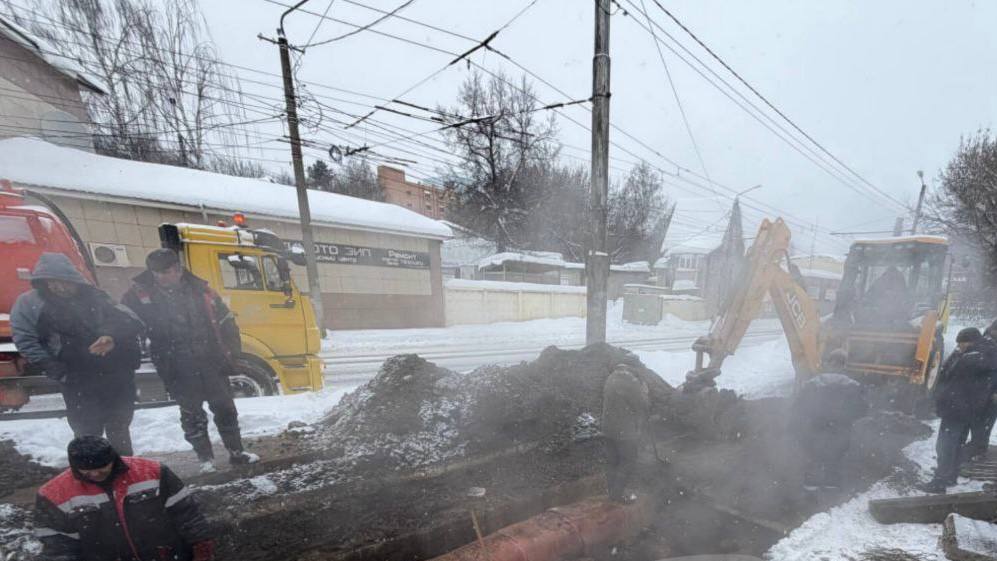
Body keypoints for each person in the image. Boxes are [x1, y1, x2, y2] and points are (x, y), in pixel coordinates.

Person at [122, 248, 258, 472]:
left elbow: (226, 321)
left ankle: (237, 452)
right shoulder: (138, 295)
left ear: (177, 269)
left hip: (210, 360)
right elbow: (124, 322)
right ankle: (205, 459)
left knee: (225, 407)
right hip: (176, 366)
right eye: (156, 273)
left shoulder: (201, 289)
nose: (161, 278)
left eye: (166, 272)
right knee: (191, 413)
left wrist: (232, 352)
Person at [11, 253, 142, 455]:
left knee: (119, 427)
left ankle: (125, 473)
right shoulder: (30, 303)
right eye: (53, 282)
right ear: (43, 282)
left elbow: (130, 320)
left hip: (114, 373)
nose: (60, 287)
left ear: (73, 279)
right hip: (76, 377)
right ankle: (90, 477)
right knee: (87, 433)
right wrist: (54, 368)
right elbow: (25, 339)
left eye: (64, 282)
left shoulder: (96, 296)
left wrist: (110, 336)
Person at [34, 436, 215, 561]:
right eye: (87, 471)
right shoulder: (54, 494)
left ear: (113, 458)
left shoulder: (152, 472)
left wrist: (201, 545)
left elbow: (185, 512)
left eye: (102, 467)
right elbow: (58, 543)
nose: (96, 474)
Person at [919, 327, 997, 493]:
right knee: (957, 444)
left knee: (945, 445)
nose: (958, 347)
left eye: (960, 344)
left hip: (956, 408)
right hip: (969, 409)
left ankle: (939, 482)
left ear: (969, 342)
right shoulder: (988, 354)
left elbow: (952, 380)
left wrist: (941, 398)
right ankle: (950, 476)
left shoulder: (972, 358)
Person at [791, 352, 869, 490]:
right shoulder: (854, 386)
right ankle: (831, 482)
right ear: (844, 365)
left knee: (814, 452)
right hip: (841, 427)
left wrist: (811, 416)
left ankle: (811, 481)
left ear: (827, 363)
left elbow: (799, 405)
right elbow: (862, 409)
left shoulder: (812, 384)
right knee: (836, 452)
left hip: (816, 425)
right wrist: (847, 418)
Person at [602, 364, 650, 503]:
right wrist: (645, 392)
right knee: (627, 462)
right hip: (624, 431)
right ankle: (618, 495)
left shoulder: (611, 378)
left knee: (612, 461)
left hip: (608, 428)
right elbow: (643, 405)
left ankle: (611, 491)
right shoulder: (631, 382)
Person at [966, 319, 997, 460]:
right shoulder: (986, 340)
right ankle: (976, 445)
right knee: (978, 418)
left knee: (987, 419)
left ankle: (979, 448)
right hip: (982, 386)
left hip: (991, 390)